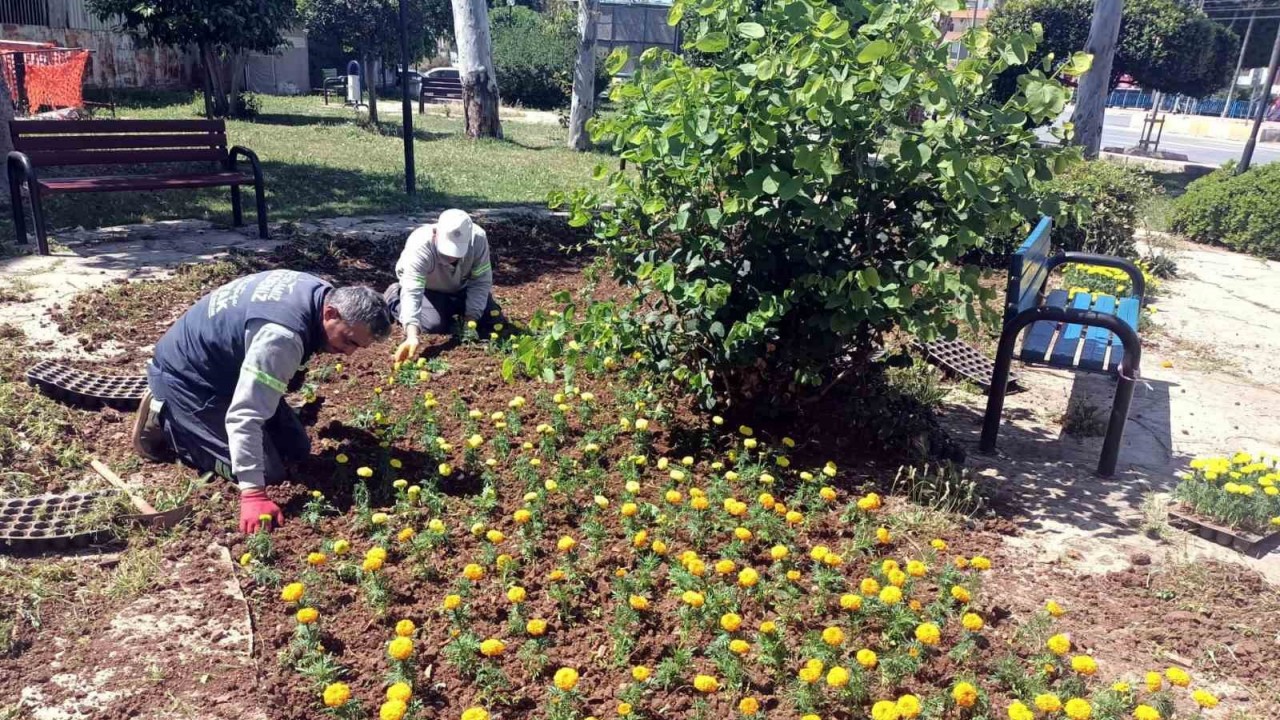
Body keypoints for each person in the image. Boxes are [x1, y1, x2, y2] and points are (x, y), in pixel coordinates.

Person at [130, 269, 392, 533]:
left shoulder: (319, 292)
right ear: (331, 313)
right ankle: (167, 419)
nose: (348, 353)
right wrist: (253, 495)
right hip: (189, 380)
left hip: (225, 368)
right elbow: (245, 416)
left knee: (297, 451)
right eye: (348, 341)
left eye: (358, 347)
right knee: (265, 473)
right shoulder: (282, 337)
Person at [386, 209, 503, 363]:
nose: (452, 257)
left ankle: (452, 309)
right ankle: (394, 297)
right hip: (429, 289)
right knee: (434, 324)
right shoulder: (420, 246)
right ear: (436, 234)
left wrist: (471, 319)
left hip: (461, 287)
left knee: (491, 317)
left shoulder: (478, 239)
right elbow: (413, 290)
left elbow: (480, 282)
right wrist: (412, 335)